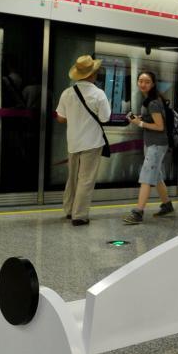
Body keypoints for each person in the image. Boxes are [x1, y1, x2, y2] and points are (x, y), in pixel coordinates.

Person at [55, 55, 111, 226]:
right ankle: (79, 215)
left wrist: (74, 116)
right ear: (92, 74)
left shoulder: (67, 93)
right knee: (86, 179)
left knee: (72, 177)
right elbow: (105, 118)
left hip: (73, 142)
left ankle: (69, 209)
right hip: (92, 143)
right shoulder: (99, 94)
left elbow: (60, 118)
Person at [123, 71, 174, 224]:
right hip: (152, 143)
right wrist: (140, 118)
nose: (143, 84)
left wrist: (139, 123)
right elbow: (153, 119)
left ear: (153, 84)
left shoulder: (153, 103)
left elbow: (160, 126)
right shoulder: (151, 100)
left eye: (147, 81)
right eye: (140, 81)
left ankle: (138, 212)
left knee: (146, 177)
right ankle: (167, 205)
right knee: (156, 176)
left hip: (157, 144)